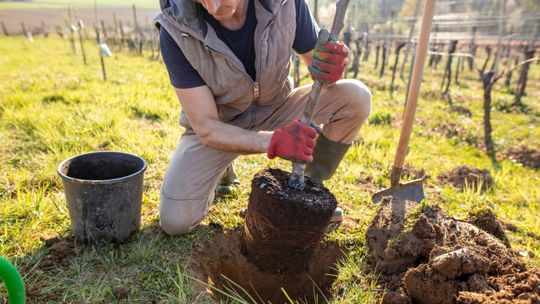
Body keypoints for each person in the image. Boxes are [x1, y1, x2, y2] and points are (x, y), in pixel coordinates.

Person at [155, 0, 372, 235]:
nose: (215, 7)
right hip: (222, 126)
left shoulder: (285, 3)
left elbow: (318, 68)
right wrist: (274, 142)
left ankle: (309, 192)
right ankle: (221, 171)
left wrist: (330, 68)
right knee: (175, 221)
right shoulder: (176, 30)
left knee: (356, 96)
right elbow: (206, 127)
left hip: (278, 107)